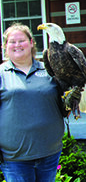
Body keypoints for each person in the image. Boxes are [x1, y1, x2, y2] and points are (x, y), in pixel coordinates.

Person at [0, 23, 65, 182]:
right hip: (14, 158)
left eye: (21, 40)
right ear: (5, 46)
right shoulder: (2, 74)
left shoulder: (49, 70)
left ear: (31, 43)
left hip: (49, 152)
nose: (17, 45)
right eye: (12, 42)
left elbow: (63, 103)